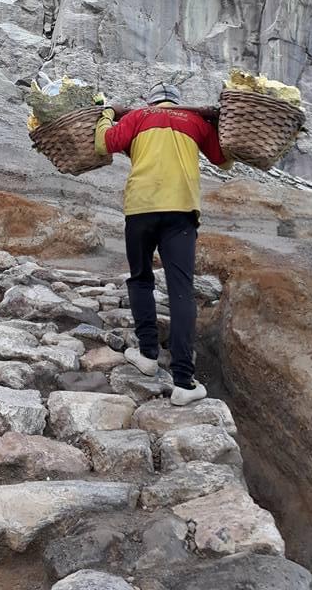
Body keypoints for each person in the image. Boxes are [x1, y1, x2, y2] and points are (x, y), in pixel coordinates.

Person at [95, 82, 231, 405]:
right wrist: (213, 123)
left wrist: (106, 114)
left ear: (151, 100)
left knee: (140, 279)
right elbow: (223, 160)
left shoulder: (139, 117)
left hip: (140, 210)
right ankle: (184, 380)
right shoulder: (194, 121)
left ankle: (147, 354)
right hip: (180, 213)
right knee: (181, 291)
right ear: (177, 102)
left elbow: (105, 143)